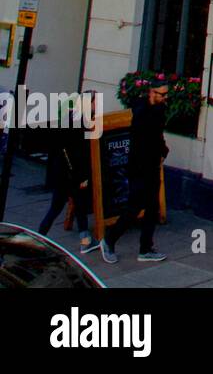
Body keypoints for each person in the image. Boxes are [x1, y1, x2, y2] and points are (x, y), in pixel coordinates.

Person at [102, 83, 169, 264]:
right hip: (139, 168)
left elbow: (158, 135)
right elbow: (144, 138)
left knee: (152, 208)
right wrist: (157, 150)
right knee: (134, 207)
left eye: (166, 94)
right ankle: (109, 239)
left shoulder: (159, 109)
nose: (164, 97)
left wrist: (163, 151)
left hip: (153, 166)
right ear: (151, 92)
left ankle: (145, 249)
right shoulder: (141, 111)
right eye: (161, 94)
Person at [37, 99, 98, 255]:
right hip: (74, 175)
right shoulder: (81, 124)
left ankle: (39, 238)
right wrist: (84, 177)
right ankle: (85, 243)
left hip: (62, 173)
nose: (96, 106)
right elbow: (80, 154)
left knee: (57, 208)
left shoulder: (70, 118)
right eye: (95, 103)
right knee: (80, 208)